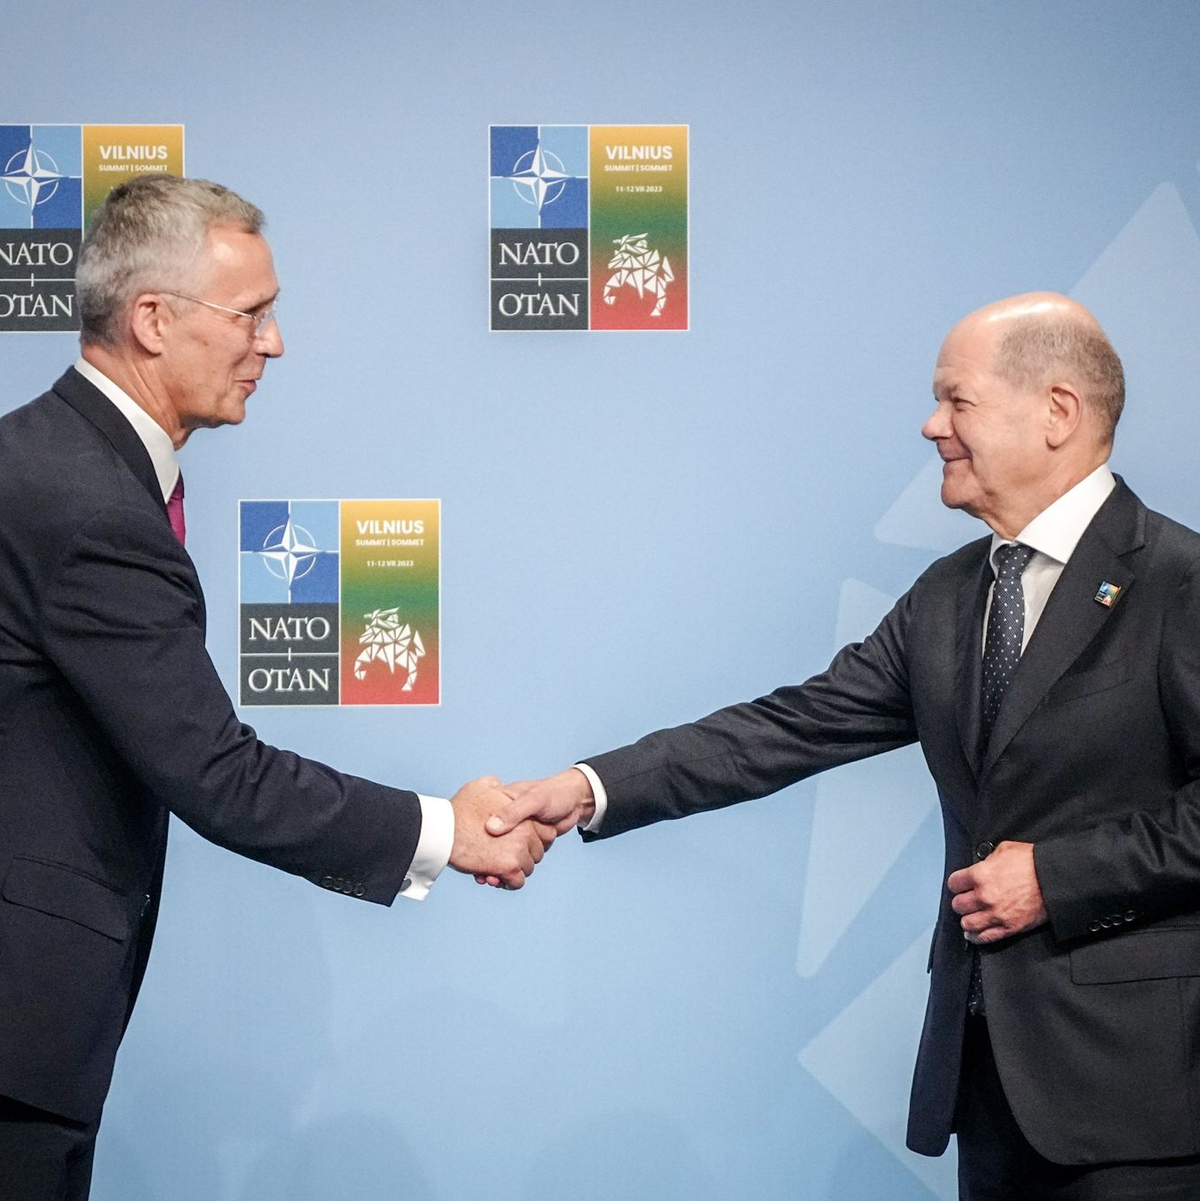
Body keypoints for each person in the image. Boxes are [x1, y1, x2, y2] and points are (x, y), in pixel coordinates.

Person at [489, 293, 1200, 1199]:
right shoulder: (950, 596)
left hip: (1143, 1105)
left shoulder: (1180, 583)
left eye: (957, 399)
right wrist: (589, 787)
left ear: (1057, 411)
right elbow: (789, 727)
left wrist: (1059, 877)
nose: (930, 423)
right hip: (989, 1091)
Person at [0, 174, 550, 1201]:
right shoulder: (84, 504)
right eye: (251, 315)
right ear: (152, 320)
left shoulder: (57, 463)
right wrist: (449, 830)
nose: (275, 343)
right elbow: (217, 774)